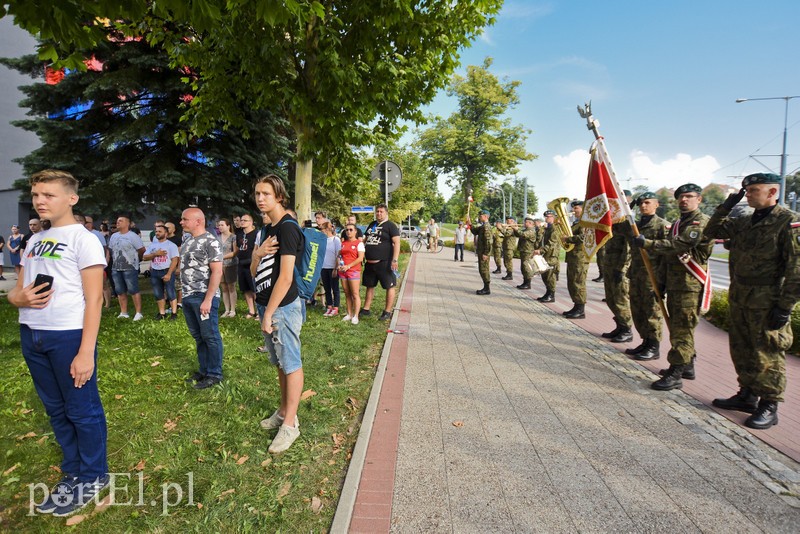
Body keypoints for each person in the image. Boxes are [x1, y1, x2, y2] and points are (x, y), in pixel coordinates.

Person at [8, 169, 108, 516]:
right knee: (55, 408)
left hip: (68, 335)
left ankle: (94, 475)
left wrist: (85, 351)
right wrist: (15, 299)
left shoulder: (84, 239)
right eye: (36, 195)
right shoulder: (34, 240)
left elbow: (94, 299)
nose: (39, 201)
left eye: (48, 195)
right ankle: (73, 470)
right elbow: (17, 290)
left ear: (71, 198)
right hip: (31, 333)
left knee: (82, 408)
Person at [704, 173, 800, 429]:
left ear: (772, 192)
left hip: (767, 298)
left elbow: (797, 270)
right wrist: (726, 206)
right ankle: (747, 394)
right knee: (741, 346)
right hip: (740, 294)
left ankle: (769, 404)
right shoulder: (744, 221)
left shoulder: (789, 222)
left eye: (753, 190)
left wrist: (785, 306)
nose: (748, 194)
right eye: (746, 191)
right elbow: (710, 231)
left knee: (767, 352)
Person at [634, 183, 714, 391]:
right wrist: (660, 282)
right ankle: (687, 366)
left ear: (699, 199)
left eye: (688, 196)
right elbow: (670, 259)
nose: (683, 200)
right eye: (680, 197)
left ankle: (676, 372)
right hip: (676, 283)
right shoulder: (680, 222)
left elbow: (679, 246)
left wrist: (648, 244)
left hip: (689, 285)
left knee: (682, 329)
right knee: (679, 328)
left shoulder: (701, 222)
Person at [251, 174, 305, 454]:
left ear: (279, 197)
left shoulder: (287, 227)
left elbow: (285, 278)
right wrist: (257, 254)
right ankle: (283, 411)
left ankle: (291, 425)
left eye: (266, 194)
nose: (260, 198)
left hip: (282, 307)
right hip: (266, 304)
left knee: (291, 363)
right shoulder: (265, 229)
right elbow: (253, 272)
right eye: (258, 193)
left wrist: (268, 313)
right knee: (280, 363)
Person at [180, 207, 224, 389]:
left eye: (184, 219)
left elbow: (217, 271)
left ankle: (214, 374)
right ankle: (204, 370)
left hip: (203, 295)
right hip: (189, 296)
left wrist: (208, 299)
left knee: (210, 336)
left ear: (198, 221)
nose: (181, 222)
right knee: (199, 337)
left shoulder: (210, 241)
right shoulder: (187, 241)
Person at [621, 193, 669, 360]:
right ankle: (645, 341)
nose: (643, 206)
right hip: (636, 274)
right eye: (640, 203)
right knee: (638, 309)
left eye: (647, 202)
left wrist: (663, 280)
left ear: (656, 205)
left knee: (652, 312)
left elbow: (667, 251)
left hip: (652, 276)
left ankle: (654, 346)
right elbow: (616, 226)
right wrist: (627, 208)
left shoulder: (662, 226)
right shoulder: (635, 225)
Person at [361, 204, 401, 321]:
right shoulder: (372, 224)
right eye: (377, 211)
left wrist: (395, 260)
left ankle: (387, 311)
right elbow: (365, 240)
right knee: (370, 286)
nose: (379, 213)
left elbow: (397, 243)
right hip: (370, 263)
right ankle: (366, 309)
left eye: (381, 212)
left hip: (384, 262)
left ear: (386, 213)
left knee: (389, 286)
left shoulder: (391, 226)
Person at [108, 216, 145, 320]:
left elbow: (142, 250)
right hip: (116, 267)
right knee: (119, 290)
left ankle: (138, 313)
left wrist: (136, 260)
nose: (118, 222)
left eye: (121, 220)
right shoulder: (114, 236)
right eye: (117, 220)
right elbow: (111, 250)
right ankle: (124, 312)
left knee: (133, 289)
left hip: (130, 267)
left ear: (128, 223)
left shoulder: (133, 236)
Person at [142, 224, 179, 320]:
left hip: (166, 270)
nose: (157, 233)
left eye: (160, 231)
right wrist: (155, 254)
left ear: (166, 233)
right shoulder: (153, 245)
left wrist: (169, 274)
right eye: (156, 231)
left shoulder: (171, 245)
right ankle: (162, 313)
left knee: (171, 292)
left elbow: (175, 260)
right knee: (158, 293)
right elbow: (144, 257)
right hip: (155, 271)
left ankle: (174, 313)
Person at [562, 201, 589, 318]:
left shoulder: (586, 222)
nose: (574, 210)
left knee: (578, 283)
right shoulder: (576, 223)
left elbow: (584, 237)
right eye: (573, 208)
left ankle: (581, 309)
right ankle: (576, 305)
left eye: (576, 208)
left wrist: (568, 238)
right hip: (573, 256)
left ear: (583, 209)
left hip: (580, 257)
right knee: (572, 282)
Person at [339, 222, 365, 323]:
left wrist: (348, 266)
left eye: (351, 230)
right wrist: (339, 264)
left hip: (353, 271)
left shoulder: (359, 243)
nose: (348, 232)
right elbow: (340, 255)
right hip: (343, 271)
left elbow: (360, 258)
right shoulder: (343, 243)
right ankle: (349, 313)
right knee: (347, 293)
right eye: (347, 230)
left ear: (355, 231)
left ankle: (356, 316)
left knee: (355, 293)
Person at [236, 213, 260, 319]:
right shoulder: (239, 235)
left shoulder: (256, 234)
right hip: (241, 263)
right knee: (245, 288)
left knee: (254, 288)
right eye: (241, 220)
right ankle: (251, 310)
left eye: (245, 220)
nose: (242, 222)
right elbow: (238, 247)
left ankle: (259, 311)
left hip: (252, 263)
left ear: (251, 222)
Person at [536, 210, 561, 302]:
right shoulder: (547, 228)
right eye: (546, 216)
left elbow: (551, 243)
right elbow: (540, 240)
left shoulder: (556, 228)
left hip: (552, 255)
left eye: (549, 216)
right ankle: (548, 292)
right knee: (545, 275)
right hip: (546, 254)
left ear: (554, 217)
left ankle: (551, 295)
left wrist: (540, 250)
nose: (546, 218)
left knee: (550, 275)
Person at [318, 221, 342, 317]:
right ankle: (329, 306)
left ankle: (336, 307)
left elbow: (338, 254)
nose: (321, 231)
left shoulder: (335, 240)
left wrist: (336, 268)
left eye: (322, 230)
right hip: (324, 267)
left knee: (335, 288)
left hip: (332, 267)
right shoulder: (323, 240)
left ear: (327, 229)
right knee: (327, 288)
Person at [216, 218, 239, 317]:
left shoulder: (233, 237)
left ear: (228, 226)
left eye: (222, 225)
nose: (220, 227)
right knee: (223, 287)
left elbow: (235, 252)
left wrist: (222, 257)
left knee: (231, 286)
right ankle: (226, 309)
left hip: (230, 264)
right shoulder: (217, 237)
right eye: (219, 225)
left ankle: (233, 310)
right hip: (219, 265)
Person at [471, 210, 493, 295]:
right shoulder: (483, 226)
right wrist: (470, 224)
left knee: (484, 270)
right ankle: (485, 287)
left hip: (484, 252)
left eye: (481, 216)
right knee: (482, 270)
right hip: (481, 251)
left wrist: (486, 253)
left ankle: (487, 289)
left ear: (486, 216)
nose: (480, 217)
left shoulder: (486, 227)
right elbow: (475, 231)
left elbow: (488, 242)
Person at [513, 216, 538, 289]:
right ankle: (525, 282)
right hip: (524, 250)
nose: (524, 223)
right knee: (523, 268)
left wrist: (517, 229)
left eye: (526, 222)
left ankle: (527, 283)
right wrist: (515, 230)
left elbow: (523, 235)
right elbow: (518, 235)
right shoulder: (525, 230)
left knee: (526, 268)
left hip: (528, 251)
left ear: (530, 223)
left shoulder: (531, 231)